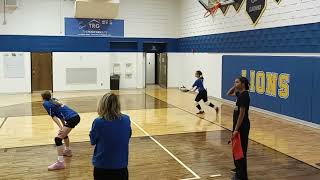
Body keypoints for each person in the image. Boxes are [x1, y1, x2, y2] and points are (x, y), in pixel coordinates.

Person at [90, 93, 132, 180]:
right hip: (121, 167)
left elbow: (92, 141)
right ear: (118, 105)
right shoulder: (126, 119)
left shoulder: (98, 122)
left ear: (102, 105)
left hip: (102, 167)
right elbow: (128, 135)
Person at [41, 91, 80, 171]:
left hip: (71, 119)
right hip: (75, 116)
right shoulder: (54, 100)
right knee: (63, 134)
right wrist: (63, 127)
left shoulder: (46, 103)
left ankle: (60, 163)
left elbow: (54, 117)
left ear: (43, 98)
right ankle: (67, 151)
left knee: (58, 139)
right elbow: (61, 115)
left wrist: (60, 127)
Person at [227, 77, 250, 180]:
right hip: (238, 126)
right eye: (234, 81)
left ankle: (241, 176)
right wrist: (235, 86)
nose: (235, 83)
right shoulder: (240, 94)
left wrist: (236, 129)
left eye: (237, 82)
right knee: (237, 150)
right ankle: (239, 172)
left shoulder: (244, 96)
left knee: (240, 152)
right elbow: (229, 93)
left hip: (242, 127)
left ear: (243, 83)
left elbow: (242, 114)